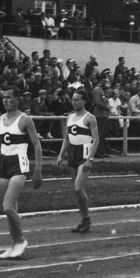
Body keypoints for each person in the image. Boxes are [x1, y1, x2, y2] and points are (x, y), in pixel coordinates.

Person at [0, 87, 43, 260]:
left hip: (19, 164)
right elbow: (2, 144)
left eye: (9, 97)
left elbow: (37, 145)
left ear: (17, 99)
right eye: (3, 98)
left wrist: (38, 170)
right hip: (4, 164)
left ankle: (20, 240)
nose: (5, 100)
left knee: (7, 206)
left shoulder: (25, 119)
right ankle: (14, 244)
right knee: (11, 209)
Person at [56, 89, 99, 233]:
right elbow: (67, 138)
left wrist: (90, 159)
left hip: (84, 155)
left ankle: (87, 219)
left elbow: (96, 140)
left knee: (78, 188)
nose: (74, 102)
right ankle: (84, 219)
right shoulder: (70, 117)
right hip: (73, 153)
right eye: (73, 99)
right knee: (77, 191)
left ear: (84, 101)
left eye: (77, 99)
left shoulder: (89, 118)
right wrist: (61, 155)